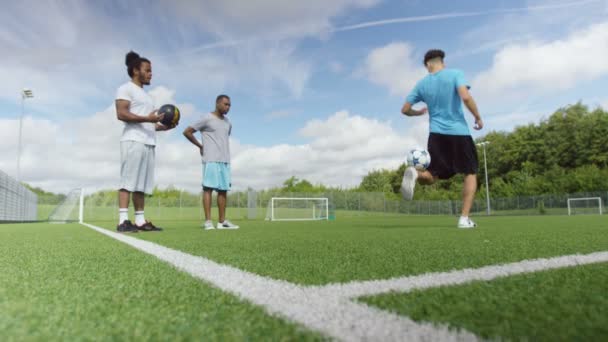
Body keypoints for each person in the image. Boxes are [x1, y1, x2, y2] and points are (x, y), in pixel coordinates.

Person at [400, 49, 484, 229]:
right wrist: (477, 116)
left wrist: (418, 113)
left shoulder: (422, 84)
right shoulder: (455, 74)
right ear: (441, 62)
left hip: (436, 135)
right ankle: (464, 219)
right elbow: (465, 96)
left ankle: (416, 173)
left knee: (432, 175)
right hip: (459, 133)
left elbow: (405, 109)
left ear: (427, 65)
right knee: (470, 172)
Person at [115, 51, 175, 233]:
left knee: (141, 185)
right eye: (147, 70)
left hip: (148, 142)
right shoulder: (125, 88)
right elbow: (121, 114)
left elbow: (149, 123)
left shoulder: (147, 97)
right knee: (128, 182)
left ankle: (140, 221)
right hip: (133, 140)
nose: (151, 74)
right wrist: (149, 120)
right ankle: (123, 220)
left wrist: (162, 127)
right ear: (135, 71)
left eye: (151, 70)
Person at [183, 95, 239, 230]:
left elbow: (223, 138)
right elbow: (187, 132)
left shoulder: (228, 123)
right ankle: (208, 221)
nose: (228, 107)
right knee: (208, 189)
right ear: (218, 103)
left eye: (229, 105)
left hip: (225, 160)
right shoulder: (206, 118)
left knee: (223, 190)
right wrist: (200, 146)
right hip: (211, 159)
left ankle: (222, 222)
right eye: (226, 104)